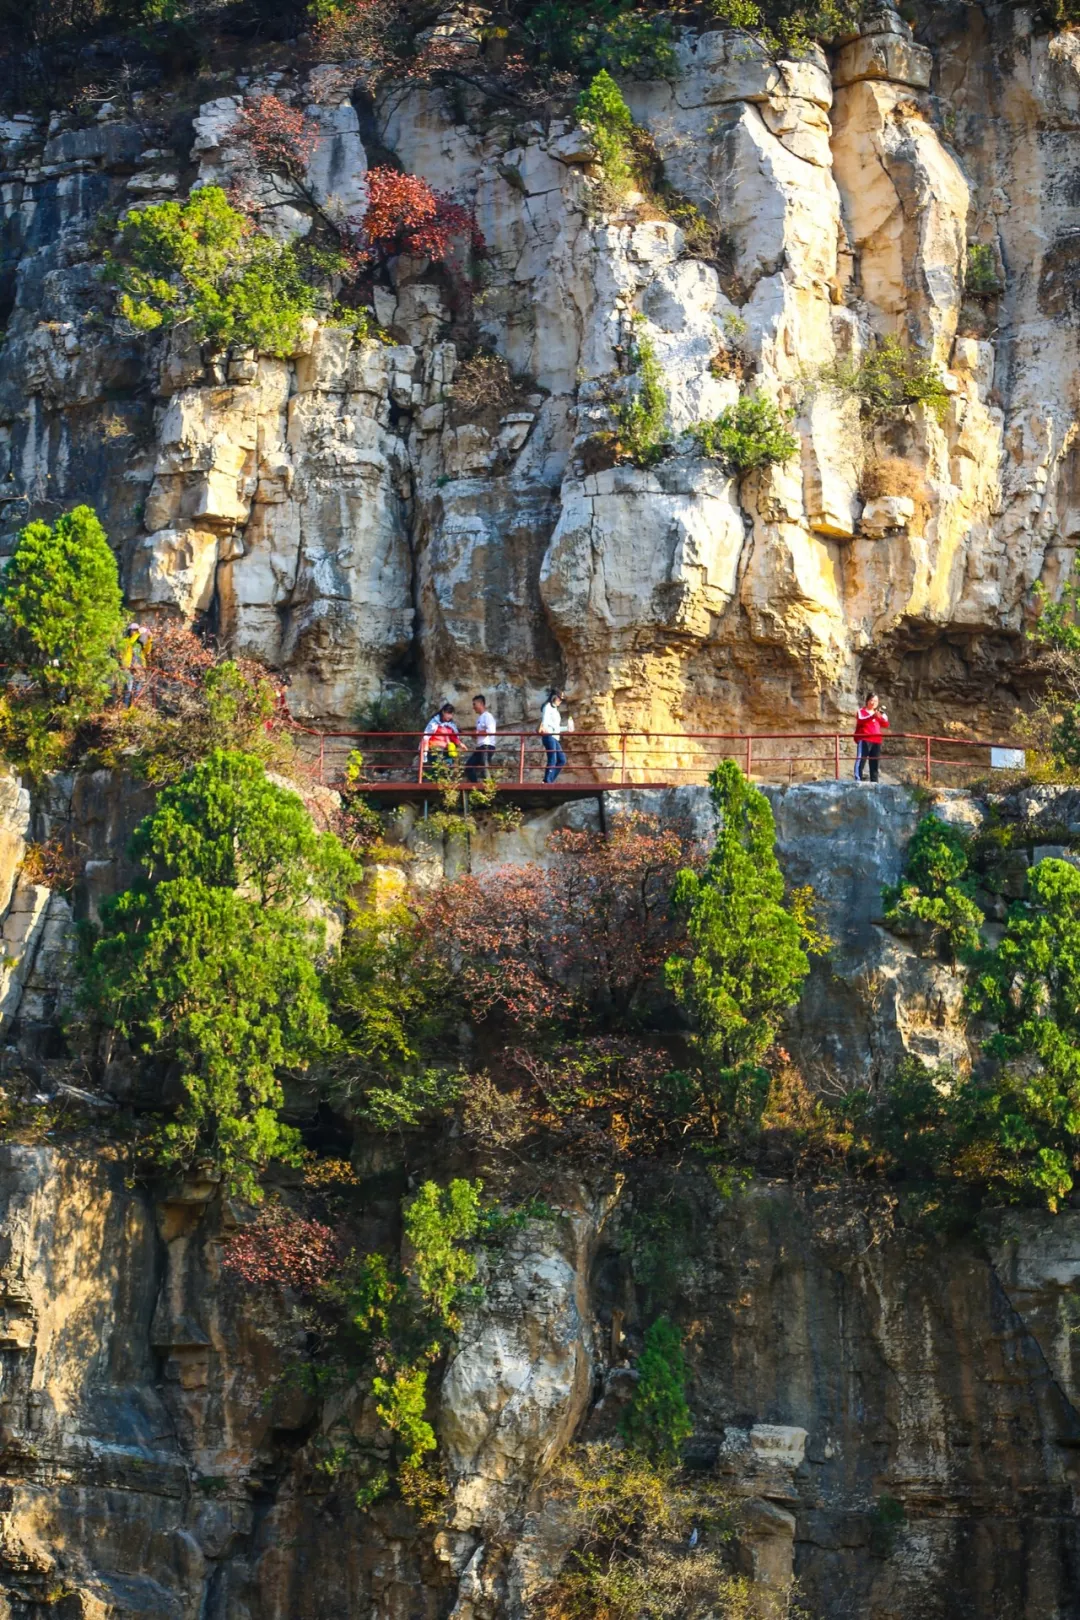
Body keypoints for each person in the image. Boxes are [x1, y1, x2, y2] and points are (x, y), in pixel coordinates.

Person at [539, 687, 572, 783]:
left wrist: (567, 728)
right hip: (549, 736)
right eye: (560, 699)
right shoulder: (548, 707)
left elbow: (556, 727)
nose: (561, 701)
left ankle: (548, 780)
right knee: (552, 759)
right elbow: (544, 720)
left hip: (554, 737)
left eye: (562, 700)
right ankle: (547, 781)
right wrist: (544, 728)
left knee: (562, 760)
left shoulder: (556, 711)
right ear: (554, 697)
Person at [854, 693, 890, 782]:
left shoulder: (878, 713)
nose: (874, 703)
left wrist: (880, 716)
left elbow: (886, 724)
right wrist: (872, 716)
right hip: (865, 739)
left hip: (877, 740)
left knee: (875, 762)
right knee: (861, 759)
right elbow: (861, 720)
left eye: (876, 701)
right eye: (872, 700)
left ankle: (874, 782)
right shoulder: (861, 711)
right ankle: (858, 779)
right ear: (867, 701)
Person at [421, 702, 460, 780]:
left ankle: (445, 784)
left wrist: (460, 744)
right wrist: (424, 751)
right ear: (443, 712)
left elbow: (453, 736)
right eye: (448, 713)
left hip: (447, 750)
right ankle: (430, 781)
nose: (450, 716)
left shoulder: (450, 724)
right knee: (437, 768)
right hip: (435, 750)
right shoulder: (434, 722)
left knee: (448, 767)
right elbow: (426, 736)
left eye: (451, 714)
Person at [119, 622, 153, 707]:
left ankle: (134, 708)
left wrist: (149, 638)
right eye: (133, 630)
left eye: (136, 630)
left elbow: (147, 651)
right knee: (128, 689)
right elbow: (131, 642)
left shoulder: (139, 644)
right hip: (128, 667)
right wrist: (139, 633)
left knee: (138, 689)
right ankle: (125, 708)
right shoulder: (126, 641)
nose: (135, 631)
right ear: (129, 631)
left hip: (139, 667)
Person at [464, 694, 497, 781]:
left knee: (485, 769)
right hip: (480, 747)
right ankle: (475, 787)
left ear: (481, 703)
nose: (473, 707)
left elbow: (491, 731)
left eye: (474, 704)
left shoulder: (487, 716)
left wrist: (477, 733)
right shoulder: (480, 718)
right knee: (469, 767)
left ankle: (488, 789)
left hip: (486, 746)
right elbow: (479, 734)